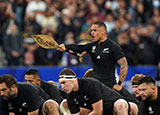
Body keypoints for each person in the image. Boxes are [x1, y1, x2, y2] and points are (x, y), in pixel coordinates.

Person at [57, 21, 128, 91]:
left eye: (95, 30)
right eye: (91, 30)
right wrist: (65, 47)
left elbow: (124, 64)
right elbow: (79, 48)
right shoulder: (93, 46)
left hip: (109, 86)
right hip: (95, 85)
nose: (92, 33)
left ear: (103, 32)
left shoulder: (113, 47)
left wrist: (119, 84)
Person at [58, 68, 138, 115]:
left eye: (64, 82)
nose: (62, 86)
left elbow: (98, 111)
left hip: (112, 107)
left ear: (73, 80)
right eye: (61, 83)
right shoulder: (70, 96)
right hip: (100, 111)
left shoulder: (91, 84)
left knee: (121, 104)